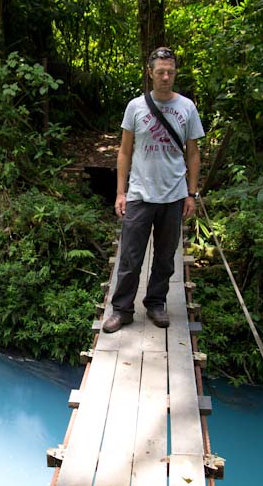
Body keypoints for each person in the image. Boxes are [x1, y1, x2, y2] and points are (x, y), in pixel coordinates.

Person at [102, 46, 205, 334]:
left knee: (165, 255)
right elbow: (124, 152)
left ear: (175, 73)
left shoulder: (187, 108)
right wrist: (120, 193)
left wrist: (191, 193)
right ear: (150, 73)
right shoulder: (135, 107)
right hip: (139, 194)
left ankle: (156, 302)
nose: (165, 77)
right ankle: (122, 310)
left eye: (170, 72)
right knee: (131, 256)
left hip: (173, 194)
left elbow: (194, 154)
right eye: (160, 72)